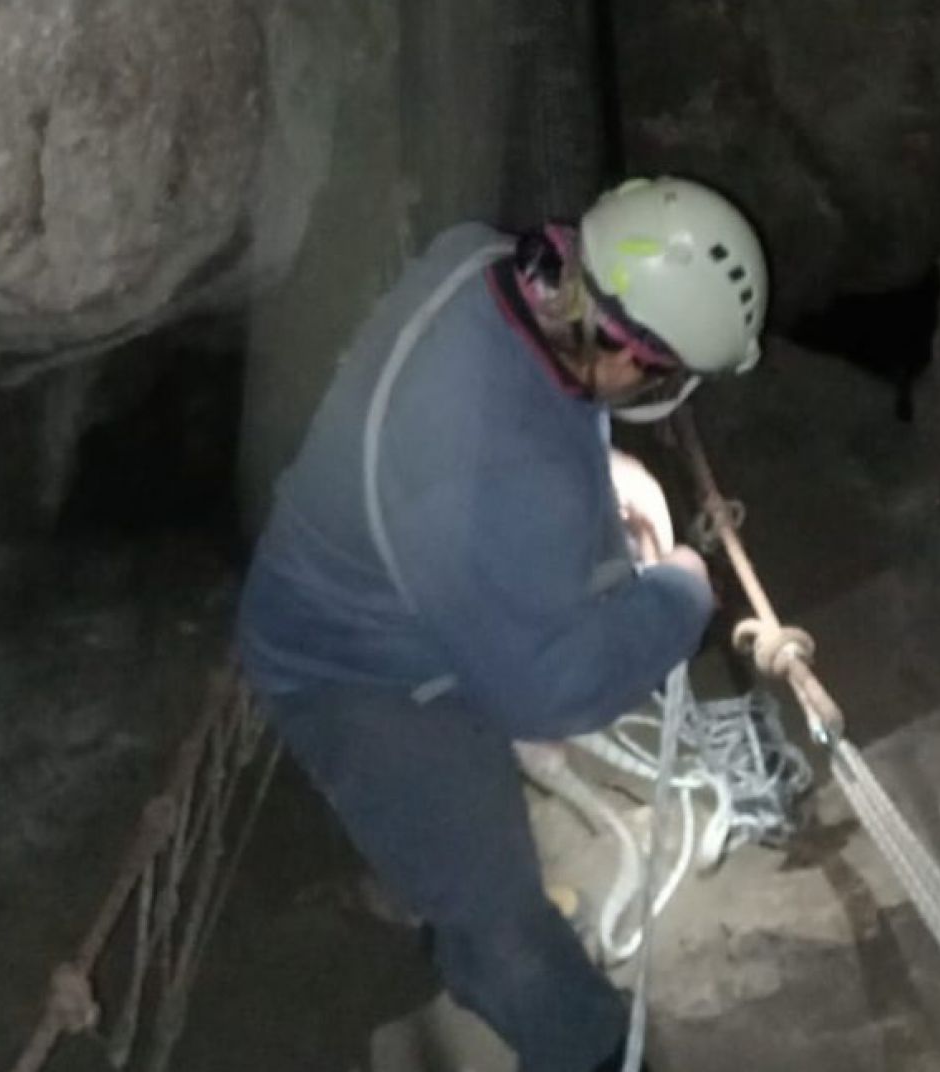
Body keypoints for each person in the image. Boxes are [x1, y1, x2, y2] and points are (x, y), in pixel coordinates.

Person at [235, 177, 769, 1072]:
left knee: (459, 843)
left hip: (382, 577)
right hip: (356, 671)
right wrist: (681, 593)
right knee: (502, 920)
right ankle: (586, 1047)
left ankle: (419, 887)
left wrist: (606, 476)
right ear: (638, 359)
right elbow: (544, 688)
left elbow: (536, 416)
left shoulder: (487, 263)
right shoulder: (497, 474)